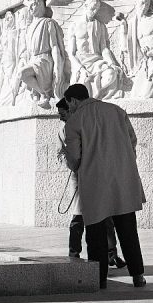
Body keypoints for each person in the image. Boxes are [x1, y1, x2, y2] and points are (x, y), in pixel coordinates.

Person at [62, 84, 146, 289]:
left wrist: (73, 163)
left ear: (73, 101)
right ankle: (138, 276)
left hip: (94, 183)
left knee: (95, 234)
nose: (69, 108)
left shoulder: (74, 122)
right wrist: (123, 162)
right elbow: (132, 141)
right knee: (128, 231)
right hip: (122, 180)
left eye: (68, 103)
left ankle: (99, 279)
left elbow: (74, 158)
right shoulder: (116, 111)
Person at [55, 98, 127, 269]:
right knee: (79, 215)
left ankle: (110, 254)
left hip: (96, 174)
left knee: (104, 214)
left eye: (62, 113)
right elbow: (63, 154)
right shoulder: (65, 129)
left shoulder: (84, 122)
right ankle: (75, 254)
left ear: (71, 109)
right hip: (80, 175)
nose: (60, 118)